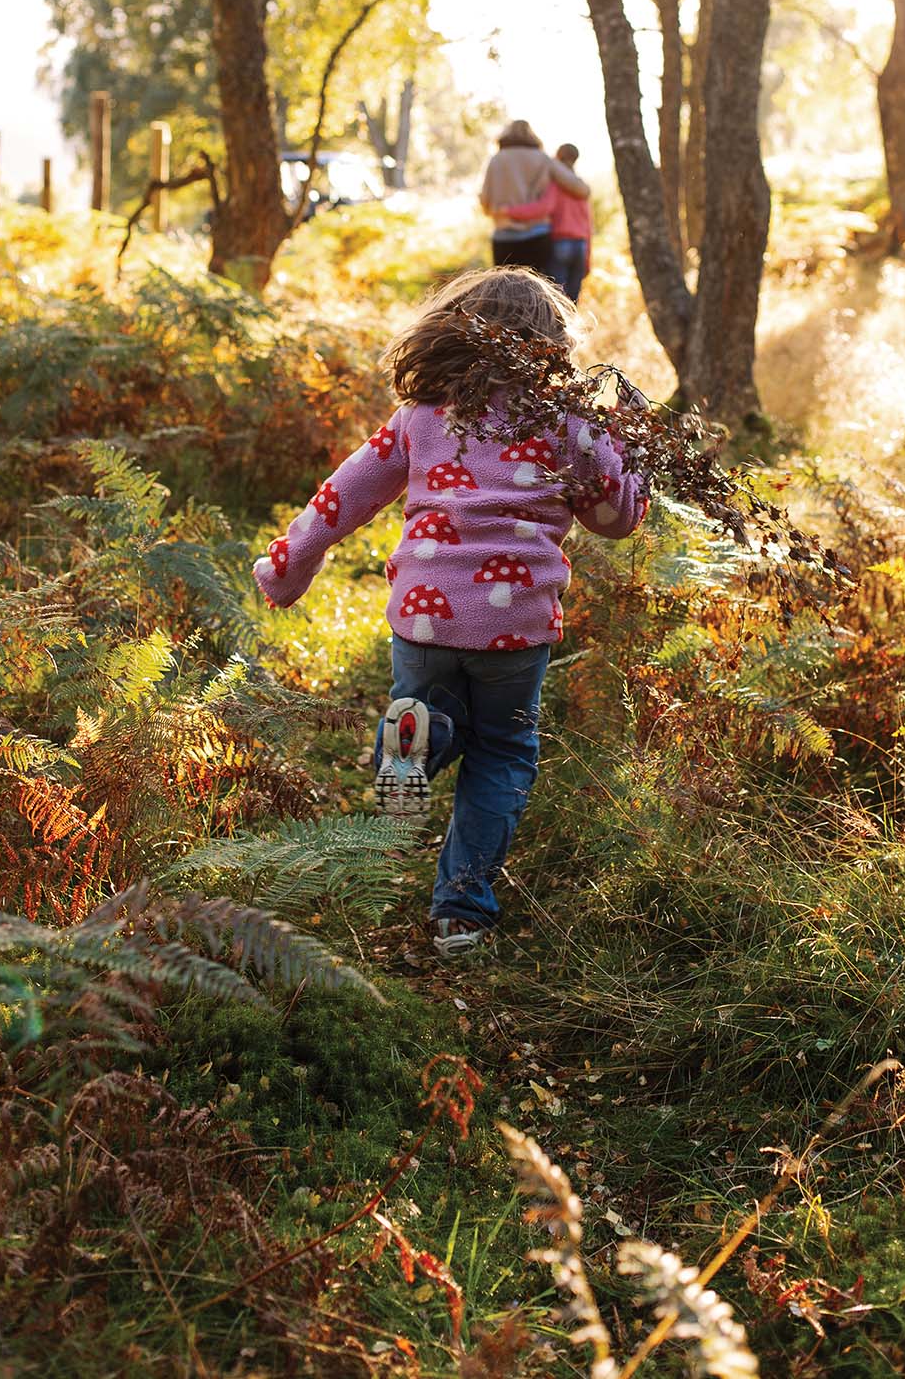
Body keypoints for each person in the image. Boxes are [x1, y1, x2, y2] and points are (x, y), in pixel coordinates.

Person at [253, 268, 648, 958]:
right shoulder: (568, 424)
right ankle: (461, 912)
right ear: (550, 347)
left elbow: (342, 496)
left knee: (434, 710)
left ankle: (417, 740)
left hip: (425, 616)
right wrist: (630, 452)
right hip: (516, 626)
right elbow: (616, 519)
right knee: (501, 753)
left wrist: (288, 566)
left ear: (451, 335)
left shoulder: (422, 417)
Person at [480, 120, 590, 274]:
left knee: (504, 290)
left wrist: (498, 211)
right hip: (537, 236)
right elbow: (581, 189)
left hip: (504, 236)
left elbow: (485, 200)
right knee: (536, 293)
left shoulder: (496, 160)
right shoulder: (543, 159)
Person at [500, 141, 592, 303]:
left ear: (558, 158)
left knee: (556, 298)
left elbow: (542, 208)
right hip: (580, 246)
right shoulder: (581, 188)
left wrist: (509, 211)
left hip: (561, 244)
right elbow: (588, 226)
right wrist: (587, 257)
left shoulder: (557, 186)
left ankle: (555, 328)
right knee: (573, 301)